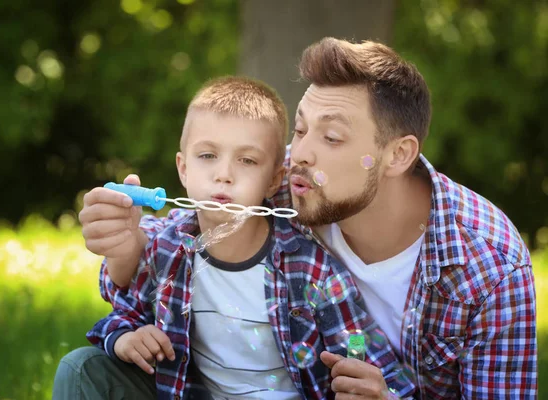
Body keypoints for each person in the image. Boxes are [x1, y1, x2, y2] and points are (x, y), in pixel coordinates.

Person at [74, 38, 537, 398]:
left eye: (332, 137)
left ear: (397, 154)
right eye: (300, 128)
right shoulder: (280, 178)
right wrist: (123, 245)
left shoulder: (490, 267)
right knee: (85, 370)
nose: (302, 153)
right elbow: (174, 242)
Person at [54, 76, 415, 399]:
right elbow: (124, 314)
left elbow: (376, 368)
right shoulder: (171, 247)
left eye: (247, 161)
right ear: (183, 168)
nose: (223, 175)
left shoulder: (310, 272)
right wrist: (125, 340)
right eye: (208, 155)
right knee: (81, 368)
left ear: (275, 180)